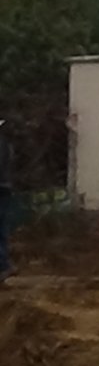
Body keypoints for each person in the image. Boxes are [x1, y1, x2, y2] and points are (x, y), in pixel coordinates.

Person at [0, 120, 15, 284]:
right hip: (4, 188)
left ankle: (3, 266)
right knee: (2, 228)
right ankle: (4, 265)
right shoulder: (5, 144)